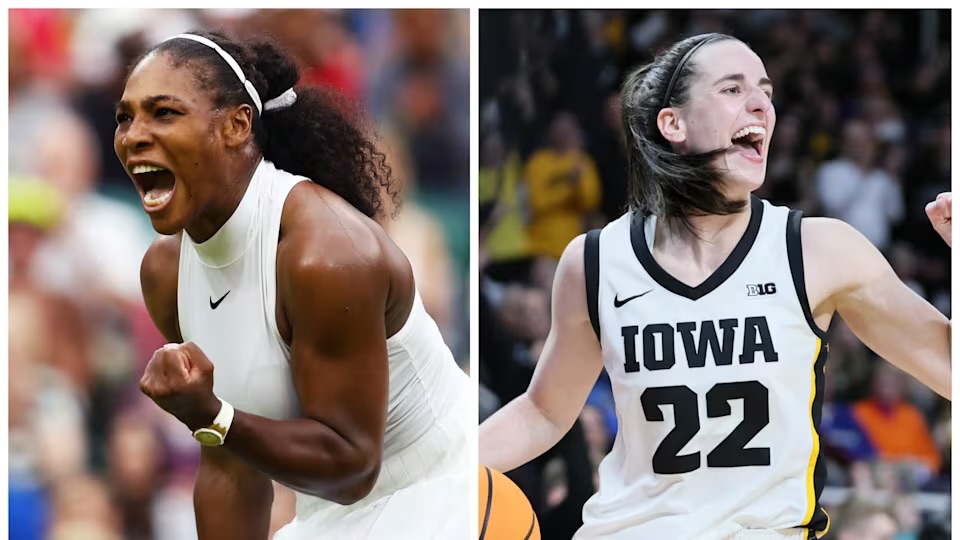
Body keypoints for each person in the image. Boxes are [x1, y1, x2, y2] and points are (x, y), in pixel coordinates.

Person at [479, 33, 951, 540]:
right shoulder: (594, 260)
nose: (761, 105)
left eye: (766, 92)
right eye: (732, 89)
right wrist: (445, 471)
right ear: (673, 123)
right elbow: (545, 411)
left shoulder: (820, 249)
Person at [114, 30, 470, 539]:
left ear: (238, 125)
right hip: (331, 515)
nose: (133, 136)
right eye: (124, 117)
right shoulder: (164, 273)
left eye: (164, 113)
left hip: (449, 497)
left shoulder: (326, 254)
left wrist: (214, 416)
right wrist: (215, 423)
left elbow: (351, 464)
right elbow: (229, 467)